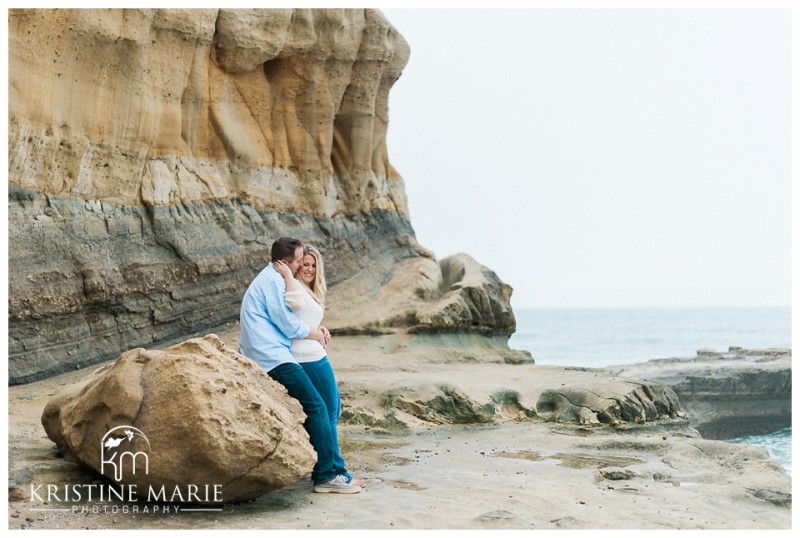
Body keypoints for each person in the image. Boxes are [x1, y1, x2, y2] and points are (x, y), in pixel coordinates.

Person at [239, 237, 361, 494]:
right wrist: (316, 333)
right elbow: (288, 322)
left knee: (325, 408)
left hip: (275, 352)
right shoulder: (274, 281)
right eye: (298, 262)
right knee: (317, 407)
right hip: (271, 356)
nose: (300, 267)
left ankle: (329, 471)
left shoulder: (273, 279)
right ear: (285, 262)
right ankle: (327, 475)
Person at [273, 244, 364, 489]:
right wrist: (287, 275)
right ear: (297, 264)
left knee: (332, 410)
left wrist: (320, 330)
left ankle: (330, 467)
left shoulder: (309, 290)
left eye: (313, 265)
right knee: (326, 412)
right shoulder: (294, 287)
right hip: (306, 358)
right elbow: (292, 309)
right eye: (305, 264)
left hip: (315, 355)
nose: (309, 269)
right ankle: (331, 472)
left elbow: (305, 319)